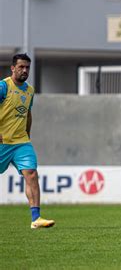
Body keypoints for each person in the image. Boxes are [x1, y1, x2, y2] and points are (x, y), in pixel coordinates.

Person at [0, 53, 55, 229]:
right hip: (2, 142)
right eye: (21, 67)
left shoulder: (29, 90)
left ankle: (36, 218)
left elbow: (27, 113)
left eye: (27, 67)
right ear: (13, 68)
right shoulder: (3, 87)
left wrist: (27, 134)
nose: (25, 70)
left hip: (21, 142)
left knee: (31, 174)